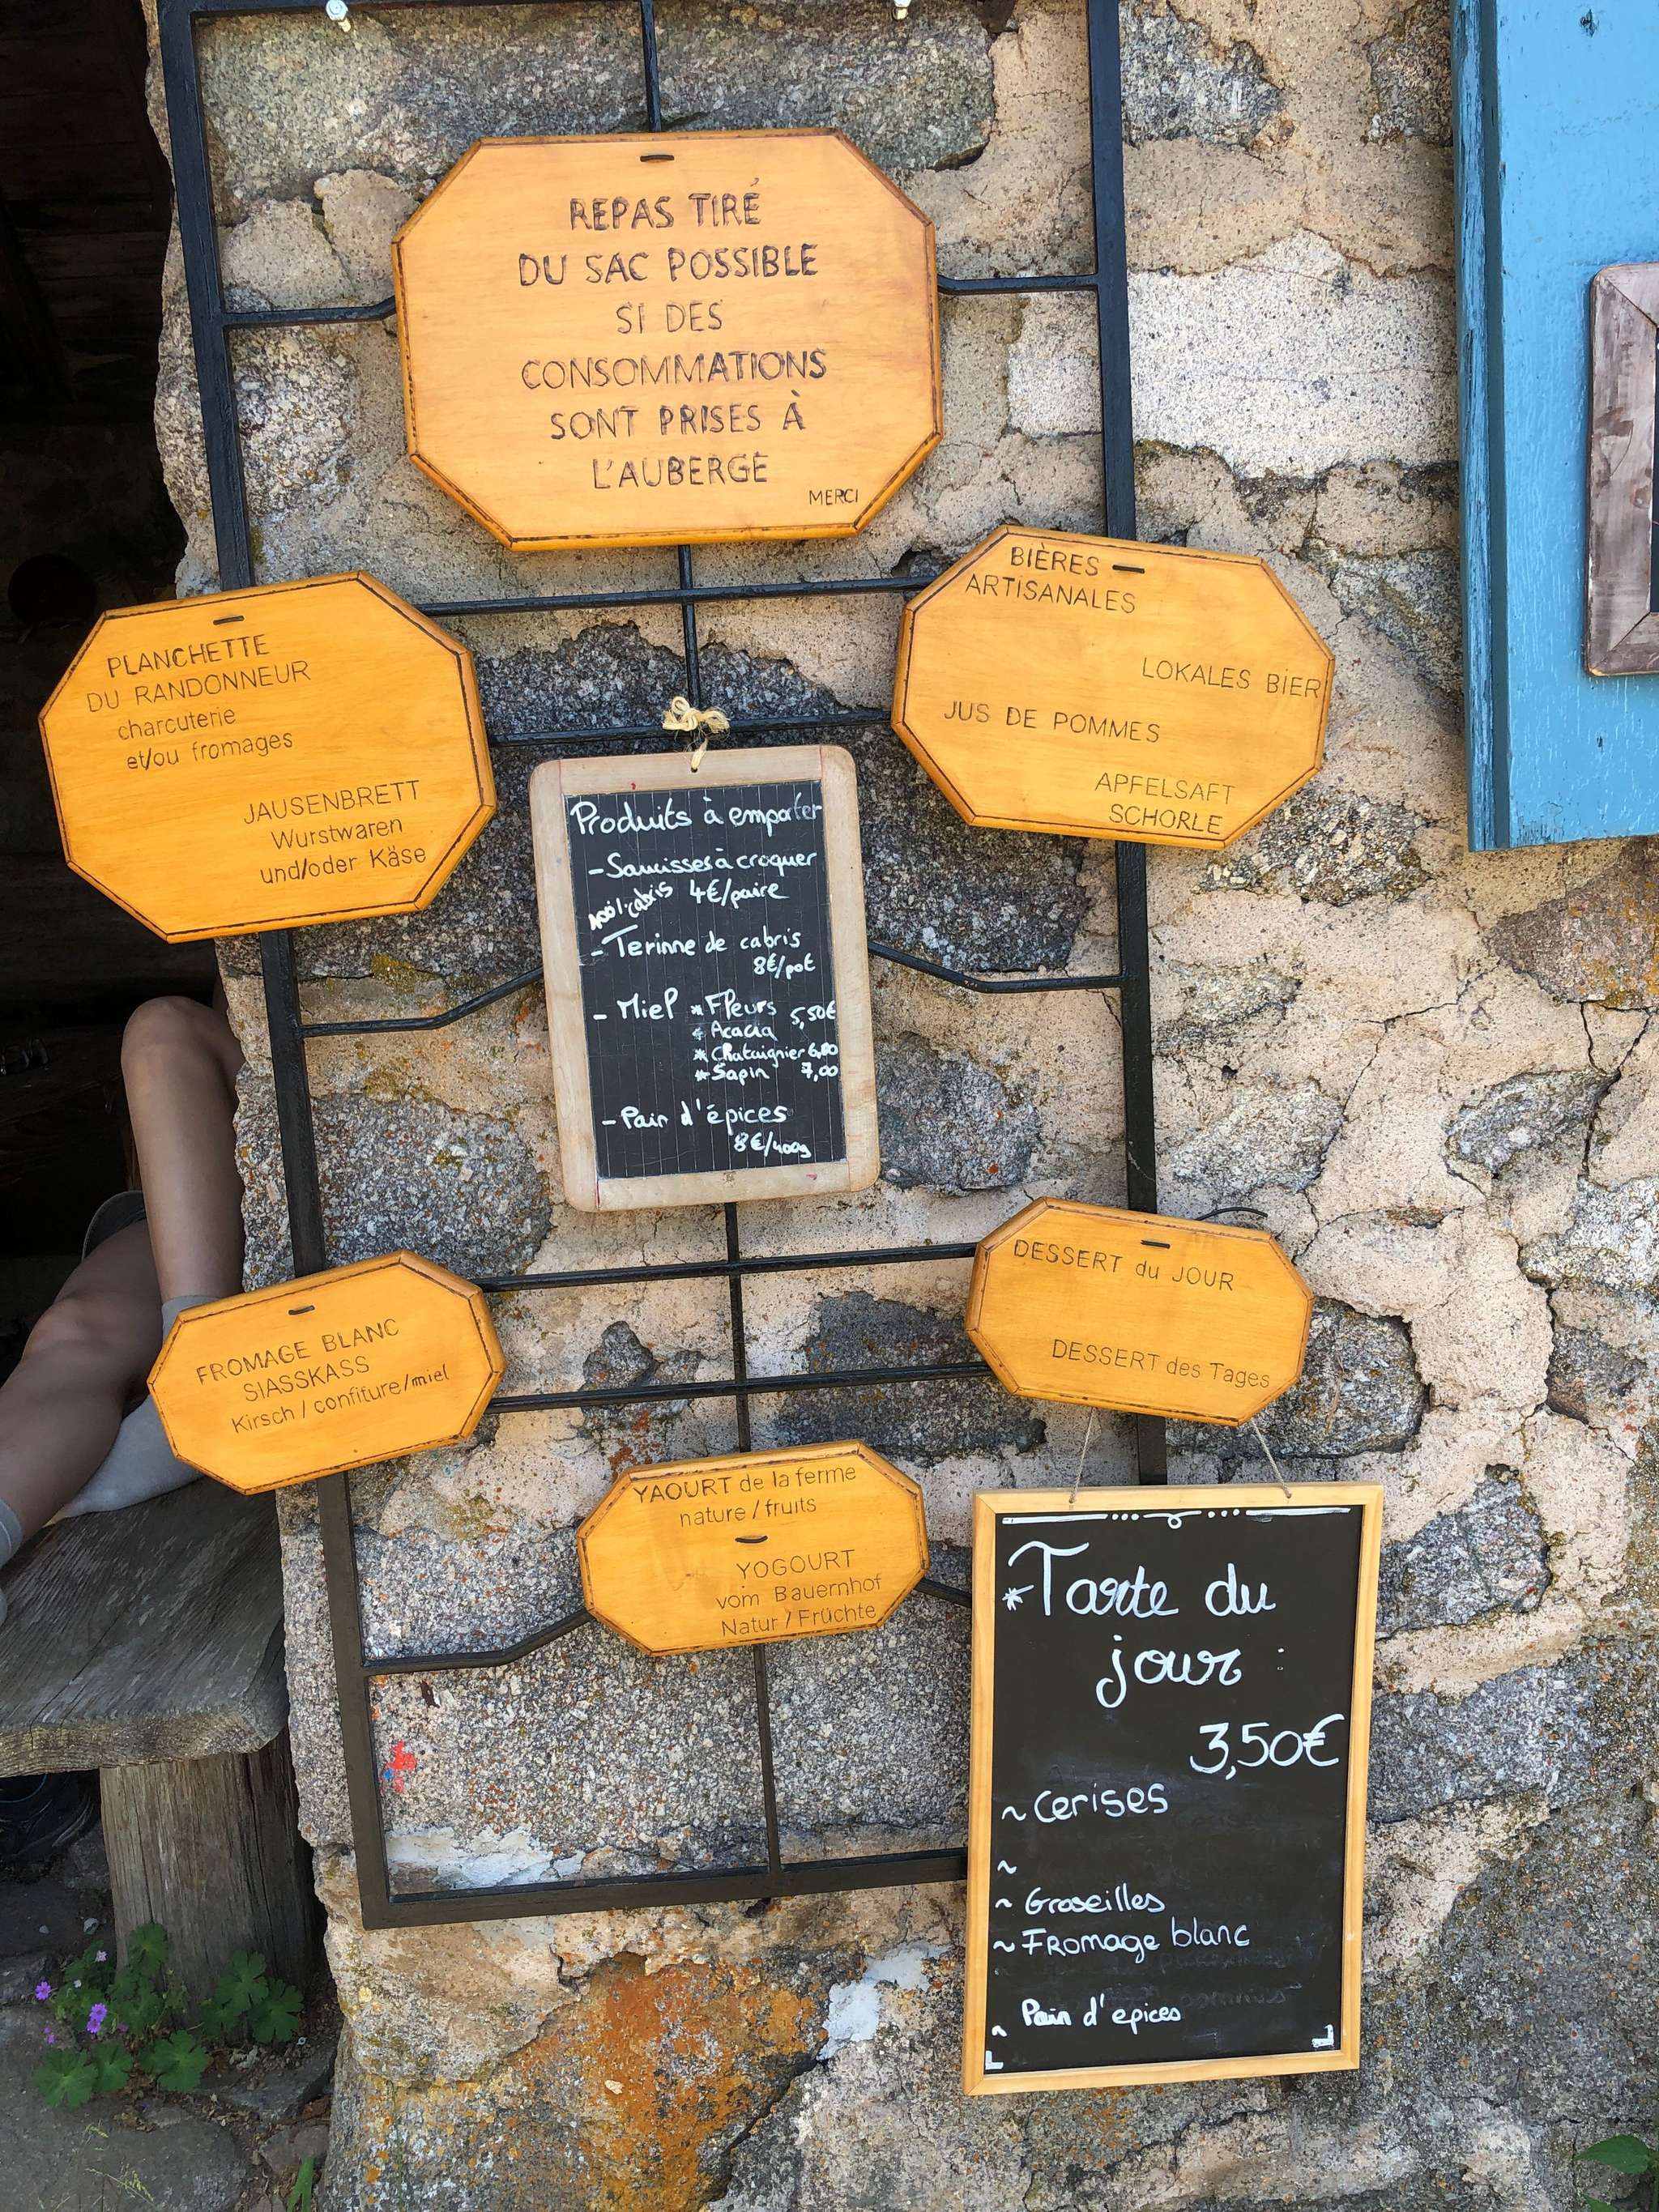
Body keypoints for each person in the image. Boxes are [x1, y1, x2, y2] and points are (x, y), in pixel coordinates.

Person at [0, 995, 245, 1598]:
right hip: (208, 1194)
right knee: (75, 1328)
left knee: (162, 1030)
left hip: (319, 1169)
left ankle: (201, 1375)